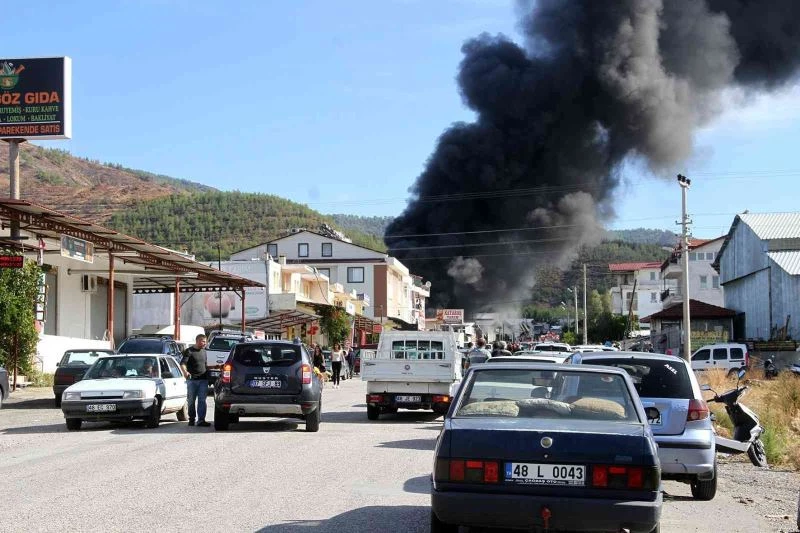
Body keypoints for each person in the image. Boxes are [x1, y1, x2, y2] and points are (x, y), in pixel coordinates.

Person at [180, 334, 210, 427]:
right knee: (191, 400)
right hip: (192, 380)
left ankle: (201, 420)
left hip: (203, 380)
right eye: (203, 341)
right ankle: (192, 419)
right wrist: (185, 372)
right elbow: (183, 364)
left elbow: (204, 365)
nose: (205, 343)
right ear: (197, 341)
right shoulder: (189, 351)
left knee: (202, 400)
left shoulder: (204, 352)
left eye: (205, 341)